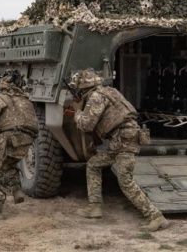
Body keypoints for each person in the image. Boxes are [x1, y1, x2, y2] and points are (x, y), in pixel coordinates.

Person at [71, 69, 169, 232]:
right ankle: (95, 206)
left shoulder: (96, 97)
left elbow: (86, 124)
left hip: (124, 140)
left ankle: (156, 216)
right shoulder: (111, 92)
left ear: (83, 88)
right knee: (93, 165)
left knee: (125, 180)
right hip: (121, 140)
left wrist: (77, 113)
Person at [0, 69, 38, 221]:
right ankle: (17, 191)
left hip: (8, 138)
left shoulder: (1, 99)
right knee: (9, 163)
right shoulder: (26, 100)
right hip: (26, 140)